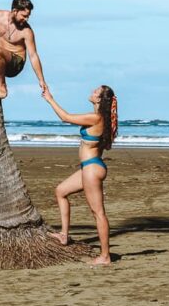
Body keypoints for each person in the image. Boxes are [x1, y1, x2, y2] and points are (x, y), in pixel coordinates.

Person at [42, 84, 118, 266]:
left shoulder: (96, 118)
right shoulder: (101, 118)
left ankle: (105, 256)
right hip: (88, 167)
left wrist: (49, 99)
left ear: (99, 99)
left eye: (96, 91)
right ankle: (63, 235)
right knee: (60, 191)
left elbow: (65, 117)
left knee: (98, 212)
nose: (92, 91)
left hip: (92, 168)